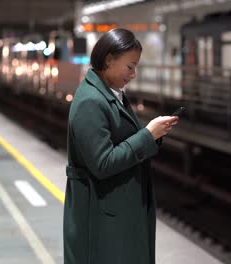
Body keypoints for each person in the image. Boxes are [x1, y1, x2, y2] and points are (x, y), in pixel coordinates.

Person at [63, 28, 178, 264]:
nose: (134, 74)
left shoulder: (112, 94)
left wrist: (154, 134)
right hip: (100, 219)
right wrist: (147, 134)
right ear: (109, 60)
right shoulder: (90, 102)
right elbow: (103, 163)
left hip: (114, 213)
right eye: (130, 66)